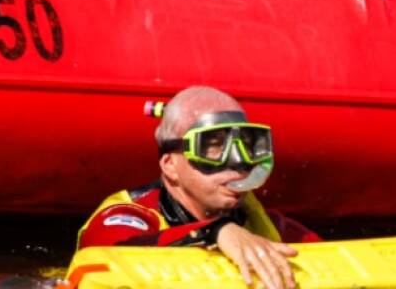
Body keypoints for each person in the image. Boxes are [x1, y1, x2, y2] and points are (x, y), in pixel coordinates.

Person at [77, 86, 317, 289]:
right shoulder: (129, 215)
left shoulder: (267, 226)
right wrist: (213, 232)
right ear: (170, 165)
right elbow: (108, 254)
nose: (237, 161)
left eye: (246, 145)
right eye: (213, 146)